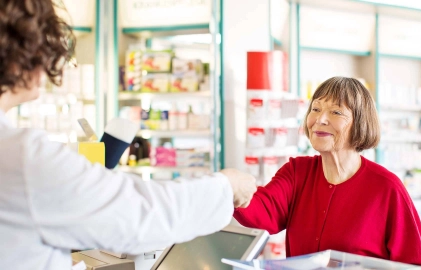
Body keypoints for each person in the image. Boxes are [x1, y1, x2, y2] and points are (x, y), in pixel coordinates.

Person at [0, 1, 256, 269]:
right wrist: (226, 186)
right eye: (44, 47)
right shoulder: (22, 157)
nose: (49, 62)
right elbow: (140, 215)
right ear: (19, 53)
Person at [234, 77, 421, 269]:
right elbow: (262, 212)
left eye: (336, 112)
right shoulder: (297, 172)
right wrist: (229, 187)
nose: (320, 119)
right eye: (316, 109)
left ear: (360, 123)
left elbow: (417, 265)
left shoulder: (387, 188)